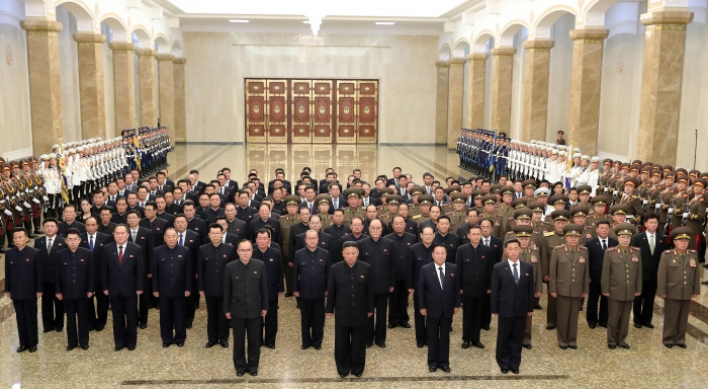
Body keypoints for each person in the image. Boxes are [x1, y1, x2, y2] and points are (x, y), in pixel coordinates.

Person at [326, 241, 375, 378]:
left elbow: (370, 290)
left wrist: (371, 308)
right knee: (341, 343)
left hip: (360, 311)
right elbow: (332, 291)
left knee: (359, 342)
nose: (350, 256)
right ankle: (343, 368)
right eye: (347, 253)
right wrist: (329, 308)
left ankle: (357, 368)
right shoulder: (335, 269)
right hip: (342, 312)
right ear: (343, 254)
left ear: (358, 253)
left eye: (353, 253)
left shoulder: (366, 268)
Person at [223, 240, 268, 376]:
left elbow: (264, 288)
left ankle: (253, 366)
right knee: (239, 340)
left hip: (255, 309)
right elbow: (227, 291)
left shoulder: (259, 265)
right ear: (237, 252)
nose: (245, 253)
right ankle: (240, 366)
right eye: (242, 250)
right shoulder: (230, 267)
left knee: (254, 340)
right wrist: (227, 309)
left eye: (248, 250)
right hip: (237, 310)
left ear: (252, 251)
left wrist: (265, 307)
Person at [491, 239, 534, 375]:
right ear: (506, 250)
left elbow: (530, 289)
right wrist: (494, 308)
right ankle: (503, 362)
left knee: (518, 337)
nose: (514, 252)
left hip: (521, 308)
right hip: (505, 307)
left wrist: (530, 308)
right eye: (510, 249)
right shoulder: (498, 267)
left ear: (520, 250)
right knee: (504, 336)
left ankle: (515, 363)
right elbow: (495, 289)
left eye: (516, 249)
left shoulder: (528, 267)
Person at [418, 243, 460, 373]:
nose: (440, 256)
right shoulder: (426, 269)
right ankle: (432, 362)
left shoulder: (453, 268)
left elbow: (456, 288)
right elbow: (421, 290)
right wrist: (422, 306)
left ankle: (444, 362)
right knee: (433, 336)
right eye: (438, 253)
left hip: (447, 308)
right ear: (433, 255)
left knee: (445, 337)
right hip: (432, 309)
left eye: (443, 253)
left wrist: (457, 304)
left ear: (446, 255)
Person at [102, 224, 145, 351]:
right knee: (117, 318)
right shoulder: (107, 249)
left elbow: (140, 270)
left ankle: (131, 342)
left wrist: (139, 287)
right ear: (113, 234)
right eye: (117, 233)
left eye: (122, 233)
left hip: (131, 290)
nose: (120, 236)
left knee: (132, 318)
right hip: (114, 290)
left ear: (127, 235)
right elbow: (104, 270)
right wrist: (105, 287)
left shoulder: (136, 249)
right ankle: (119, 342)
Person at [657, 227, 700, 348]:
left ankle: (680, 339)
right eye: (680, 240)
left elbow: (696, 274)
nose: (683, 243)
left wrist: (696, 289)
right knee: (671, 317)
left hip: (686, 291)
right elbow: (662, 274)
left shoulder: (692, 255)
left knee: (683, 317)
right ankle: (668, 338)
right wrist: (662, 291)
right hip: (672, 291)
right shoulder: (667, 255)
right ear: (675, 242)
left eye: (686, 241)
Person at [549, 224, 590, 349]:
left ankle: (572, 340)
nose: (573, 239)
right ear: (566, 238)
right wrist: (553, 289)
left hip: (577, 289)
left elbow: (586, 272)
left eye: (576, 237)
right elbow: (553, 272)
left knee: (574, 317)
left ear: (579, 238)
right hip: (562, 289)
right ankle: (562, 340)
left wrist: (585, 290)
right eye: (570, 237)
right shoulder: (558, 251)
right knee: (563, 316)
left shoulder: (584, 252)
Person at [601, 223, 642, 349]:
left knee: (625, 318)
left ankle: (622, 340)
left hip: (629, 291)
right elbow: (606, 273)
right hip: (615, 290)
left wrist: (638, 289)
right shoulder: (610, 252)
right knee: (613, 317)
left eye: (628, 237)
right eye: (623, 237)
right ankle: (612, 340)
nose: (625, 240)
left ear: (631, 239)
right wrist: (605, 289)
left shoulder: (636, 253)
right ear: (618, 238)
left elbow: (639, 273)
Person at [197, 223, 236, 348]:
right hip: (209, 288)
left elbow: (233, 270)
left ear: (222, 233)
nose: (215, 235)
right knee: (211, 314)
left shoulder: (229, 249)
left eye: (218, 233)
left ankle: (224, 339)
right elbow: (200, 270)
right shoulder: (203, 249)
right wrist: (201, 287)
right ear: (208, 235)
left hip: (225, 288)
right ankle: (212, 338)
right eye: (212, 233)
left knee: (224, 314)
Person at [358, 219, 396, 348]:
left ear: (382, 229)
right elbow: (359, 266)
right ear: (368, 229)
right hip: (366, 286)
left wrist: (391, 284)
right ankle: (368, 338)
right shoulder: (361, 244)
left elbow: (392, 266)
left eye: (378, 228)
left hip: (383, 285)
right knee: (368, 313)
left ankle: (380, 339)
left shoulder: (389, 244)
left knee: (381, 314)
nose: (375, 230)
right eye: (373, 228)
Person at [55, 228, 94, 351]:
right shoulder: (60, 254)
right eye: (70, 239)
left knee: (83, 318)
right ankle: (72, 342)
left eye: (75, 239)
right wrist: (58, 291)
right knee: (70, 319)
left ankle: (84, 342)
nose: (73, 242)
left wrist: (90, 290)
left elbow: (91, 274)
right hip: (67, 293)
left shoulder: (87, 253)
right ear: (66, 241)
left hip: (83, 292)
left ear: (80, 240)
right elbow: (57, 276)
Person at [4, 227, 42, 353]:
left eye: (20, 237)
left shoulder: (35, 253)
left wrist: (39, 290)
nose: (17, 240)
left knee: (31, 317)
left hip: (30, 291)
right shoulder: (9, 254)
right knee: (20, 318)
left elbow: (38, 274)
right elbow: (8, 273)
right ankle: (23, 343)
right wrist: (7, 289)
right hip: (16, 291)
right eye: (15, 238)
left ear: (26, 238)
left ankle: (32, 343)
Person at [152, 228, 192, 348]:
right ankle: (166, 339)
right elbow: (155, 272)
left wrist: (188, 288)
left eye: (173, 236)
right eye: (168, 236)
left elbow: (188, 272)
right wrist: (155, 289)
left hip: (180, 290)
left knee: (179, 315)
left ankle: (180, 338)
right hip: (163, 290)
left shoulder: (185, 251)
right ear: (164, 238)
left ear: (177, 237)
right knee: (165, 316)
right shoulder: (157, 251)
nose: (171, 239)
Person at [292, 230, 331, 350]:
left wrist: (327, 289)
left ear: (318, 239)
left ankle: (317, 342)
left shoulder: (325, 254)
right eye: (309, 238)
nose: (312, 240)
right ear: (305, 240)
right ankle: (306, 342)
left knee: (319, 319)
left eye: (314, 238)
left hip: (319, 292)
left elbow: (328, 273)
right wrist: (295, 289)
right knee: (305, 319)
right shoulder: (299, 254)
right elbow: (295, 273)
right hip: (304, 292)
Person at [456, 224, 492, 349]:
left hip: (481, 288)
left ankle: (476, 339)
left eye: (478, 234)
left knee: (478, 315)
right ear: (468, 236)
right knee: (467, 315)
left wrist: (489, 286)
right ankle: (466, 339)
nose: (476, 236)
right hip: (467, 289)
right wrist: (459, 287)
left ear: (481, 235)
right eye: (474, 234)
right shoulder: (461, 250)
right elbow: (458, 270)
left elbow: (489, 270)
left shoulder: (487, 250)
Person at [630, 214, 669, 329]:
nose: (653, 225)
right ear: (645, 224)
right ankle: (637, 319)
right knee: (638, 298)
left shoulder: (662, 239)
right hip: (640, 274)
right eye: (650, 223)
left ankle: (647, 319)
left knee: (650, 298)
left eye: (655, 223)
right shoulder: (637, 238)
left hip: (655, 274)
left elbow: (664, 258)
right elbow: (632, 256)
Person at [252, 229, 284, 349]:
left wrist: (281, 287)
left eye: (265, 238)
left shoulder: (276, 253)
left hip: (271, 289)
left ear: (269, 240)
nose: (262, 241)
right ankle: (258, 340)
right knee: (257, 317)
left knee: (272, 317)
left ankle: (270, 341)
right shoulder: (252, 253)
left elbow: (280, 271)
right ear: (256, 240)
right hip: (255, 291)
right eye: (260, 238)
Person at [383, 215, 417, 329]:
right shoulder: (387, 239)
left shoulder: (412, 238)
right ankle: (392, 320)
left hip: (407, 274)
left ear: (405, 225)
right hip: (393, 274)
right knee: (393, 298)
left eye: (401, 223)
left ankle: (403, 319)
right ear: (392, 225)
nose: (398, 225)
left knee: (404, 299)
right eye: (396, 223)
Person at [80, 216, 112, 332]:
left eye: (93, 225)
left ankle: (101, 321)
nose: (91, 227)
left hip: (101, 275)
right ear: (85, 226)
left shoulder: (106, 238)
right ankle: (91, 320)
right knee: (87, 300)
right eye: (88, 225)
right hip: (85, 276)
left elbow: (108, 258)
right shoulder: (80, 238)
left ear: (97, 226)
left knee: (102, 300)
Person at [35, 218, 66, 333]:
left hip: (58, 278)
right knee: (46, 303)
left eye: (52, 226)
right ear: (43, 228)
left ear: (57, 228)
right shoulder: (38, 242)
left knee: (59, 302)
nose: (49, 228)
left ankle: (59, 324)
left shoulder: (63, 241)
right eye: (47, 226)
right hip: (44, 278)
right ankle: (47, 325)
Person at [585, 220, 617, 329]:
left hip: (609, 278)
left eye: (606, 228)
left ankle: (604, 320)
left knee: (606, 300)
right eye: (602, 228)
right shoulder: (590, 243)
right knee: (593, 300)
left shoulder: (614, 243)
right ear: (597, 229)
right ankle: (592, 320)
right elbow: (587, 261)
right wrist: (588, 275)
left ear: (609, 229)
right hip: (594, 278)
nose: (604, 230)